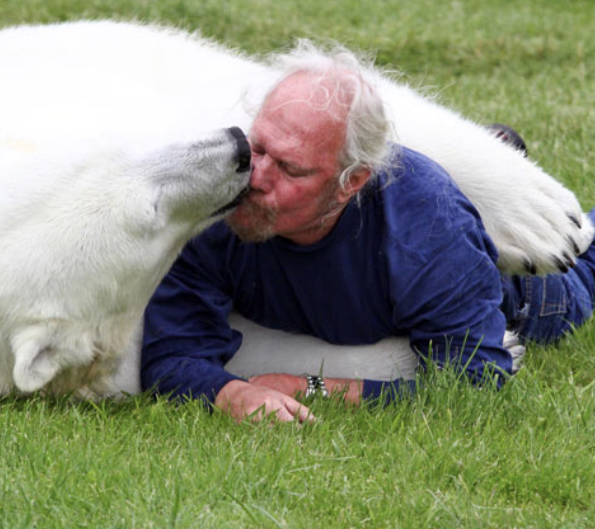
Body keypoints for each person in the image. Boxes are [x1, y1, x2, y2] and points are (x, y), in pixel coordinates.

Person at [140, 43, 595, 423]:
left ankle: (498, 178)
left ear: (351, 183)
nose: (256, 177)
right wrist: (230, 394)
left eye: (290, 168)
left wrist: (309, 386)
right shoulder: (223, 195)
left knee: (585, 270)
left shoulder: (426, 229)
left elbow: (474, 386)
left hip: (517, 291)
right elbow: (172, 354)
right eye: (258, 146)